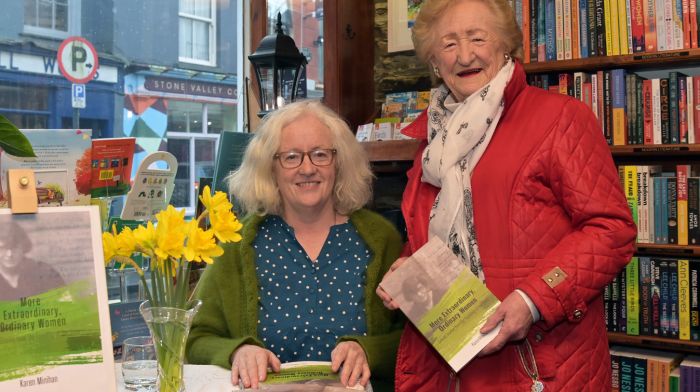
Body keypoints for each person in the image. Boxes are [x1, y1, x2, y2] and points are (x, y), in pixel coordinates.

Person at [375, 0, 637, 390]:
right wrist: (407, 267)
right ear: (433, 62)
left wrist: (533, 301)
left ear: (505, 47)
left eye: (478, 38)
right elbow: (432, 239)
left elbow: (611, 229)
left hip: (537, 361)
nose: (465, 55)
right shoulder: (433, 142)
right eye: (448, 45)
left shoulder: (561, 117)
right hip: (449, 364)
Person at [186, 100, 404, 391]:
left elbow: (415, 338)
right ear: (270, 167)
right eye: (291, 157)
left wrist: (369, 351)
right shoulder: (238, 245)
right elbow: (195, 337)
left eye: (320, 154)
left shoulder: (380, 239)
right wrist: (237, 351)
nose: (307, 168)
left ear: (339, 163)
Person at [0, 220, 65, 301]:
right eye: (3, 248)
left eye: (14, 247)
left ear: (23, 247)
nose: (9, 254)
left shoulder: (45, 272)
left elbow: (68, 306)